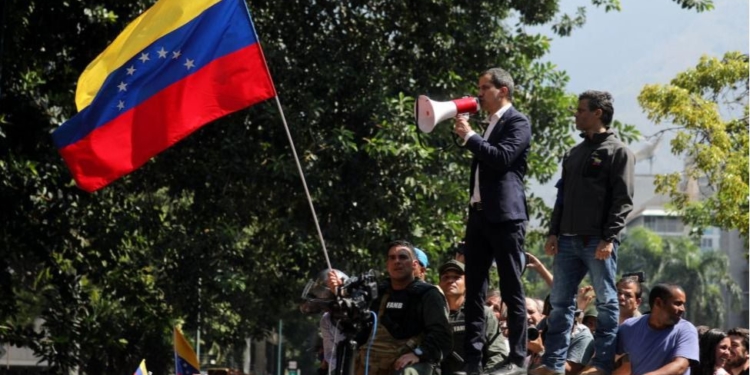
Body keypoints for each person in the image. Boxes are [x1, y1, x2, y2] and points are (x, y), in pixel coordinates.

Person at [534, 90, 635, 375]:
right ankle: (552, 364)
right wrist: (553, 232)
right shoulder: (573, 153)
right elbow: (562, 197)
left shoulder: (619, 152)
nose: (576, 115)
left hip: (598, 242)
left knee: (606, 303)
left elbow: (623, 200)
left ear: (597, 113)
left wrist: (608, 237)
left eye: (580, 111)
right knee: (560, 303)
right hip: (566, 241)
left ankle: (601, 364)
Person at [453, 67, 531, 375]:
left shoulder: (518, 122)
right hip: (480, 216)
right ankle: (472, 360)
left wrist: (470, 136)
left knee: (511, 287)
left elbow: (501, 158)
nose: (479, 94)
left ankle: (518, 358)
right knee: (474, 289)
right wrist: (470, 135)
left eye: (484, 87)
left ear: (503, 91)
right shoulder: (489, 125)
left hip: (506, 217)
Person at [328, 240, 452, 375]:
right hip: (371, 362)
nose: (397, 261)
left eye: (403, 257)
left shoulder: (428, 294)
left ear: (414, 264)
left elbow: (441, 336)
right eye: (392, 258)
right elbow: (355, 325)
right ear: (387, 265)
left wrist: (417, 354)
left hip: (407, 363)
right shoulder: (378, 293)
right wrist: (339, 291)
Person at [438, 260, 508, 375]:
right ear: (440, 283)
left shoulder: (481, 313)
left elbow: (497, 353)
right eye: (445, 277)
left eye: (456, 277)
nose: (450, 281)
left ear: (467, 283)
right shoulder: (433, 312)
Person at [615, 283, 699, 375]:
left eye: (683, 304)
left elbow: (680, 366)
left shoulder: (686, 330)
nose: (682, 309)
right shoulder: (629, 327)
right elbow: (612, 359)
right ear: (658, 303)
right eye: (677, 303)